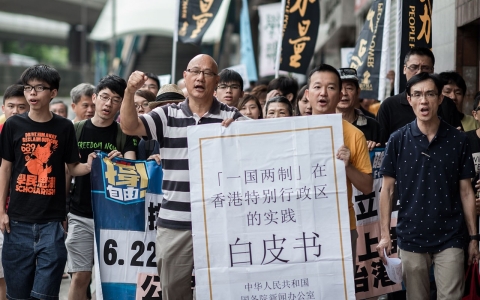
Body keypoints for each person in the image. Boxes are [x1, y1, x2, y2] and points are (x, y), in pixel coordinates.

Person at [120, 54, 247, 300]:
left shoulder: (232, 118)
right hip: (175, 223)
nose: (200, 78)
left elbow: (267, 143)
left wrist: (243, 131)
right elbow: (128, 126)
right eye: (195, 72)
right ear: (185, 77)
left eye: (207, 73)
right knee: (173, 292)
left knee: (221, 291)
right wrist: (129, 92)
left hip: (220, 223)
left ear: (216, 81)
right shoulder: (167, 115)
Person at [377, 72, 480, 299]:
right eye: (418, 94)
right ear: (410, 99)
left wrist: (473, 239)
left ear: (440, 99)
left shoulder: (457, 140)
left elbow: (466, 191)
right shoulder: (397, 139)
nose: (424, 100)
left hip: (451, 236)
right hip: (411, 235)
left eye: (430, 94)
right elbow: (387, 190)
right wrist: (385, 235)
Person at [0, 64, 95, 300]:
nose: (32, 93)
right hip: (17, 223)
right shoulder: (13, 125)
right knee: (18, 296)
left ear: (53, 93)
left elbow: (73, 167)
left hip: (51, 225)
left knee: (44, 295)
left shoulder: (64, 127)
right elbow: (6, 168)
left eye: (39, 88)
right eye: (28, 88)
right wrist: (1, 210)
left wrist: (92, 164)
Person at [65, 74, 138, 300]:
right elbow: (67, 170)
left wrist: (122, 163)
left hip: (114, 218)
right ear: (95, 98)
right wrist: (62, 209)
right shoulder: (75, 129)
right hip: (80, 214)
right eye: (105, 97)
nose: (108, 104)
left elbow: (134, 168)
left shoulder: (124, 133)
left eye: (116, 100)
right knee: (80, 277)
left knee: (109, 280)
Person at [304, 63, 373, 268]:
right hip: (301, 226)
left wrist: (348, 166)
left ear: (340, 93)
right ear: (307, 94)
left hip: (341, 225)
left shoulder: (354, 134)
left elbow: (367, 186)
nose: (323, 93)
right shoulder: (293, 130)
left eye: (331, 87)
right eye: (317, 87)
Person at [376, 47, 462, 144]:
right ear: (404, 69)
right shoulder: (389, 106)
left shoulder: (447, 104)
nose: (419, 72)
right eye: (414, 67)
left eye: (425, 68)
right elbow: (380, 146)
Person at [0, 84, 29, 300]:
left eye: (21, 107)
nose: (15, 111)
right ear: (3, 107)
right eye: (11, 106)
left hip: (22, 213)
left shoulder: (34, 134)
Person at [337, 68, 383, 150]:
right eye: (339, 88)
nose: (344, 93)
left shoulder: (373, 126)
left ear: (358, 92)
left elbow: (381, 159)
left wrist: (375, 149)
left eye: (349, 88)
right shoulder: (324, 125)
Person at [137, 84, 185, 162]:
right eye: (164, 108)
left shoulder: (192, 133)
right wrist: (150, 163)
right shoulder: (146, 142)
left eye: (175, 107)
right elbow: (142, 171)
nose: (169, 112)